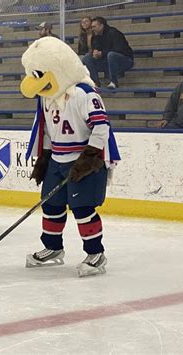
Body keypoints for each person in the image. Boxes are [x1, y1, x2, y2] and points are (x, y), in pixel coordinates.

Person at [20, 37, 120, 277]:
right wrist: (44, 157)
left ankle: (96, 254)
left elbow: (101, 127)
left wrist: (88, 158)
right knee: (52, 206)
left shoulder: (85, 93)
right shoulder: (46, 97)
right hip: (57, 159)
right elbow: (44, 129)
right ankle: (53, 248)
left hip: (85, 162)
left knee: (83, 208)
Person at [82, 16, 134, 89]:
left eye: (94, 26)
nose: (92, 29)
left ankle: (114, 81)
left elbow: (119, 49)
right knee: (87, 57)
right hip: (106, 61)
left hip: (124, 60)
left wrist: (102, 53)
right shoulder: (95, 36)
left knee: (111, 55)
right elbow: (95, 48)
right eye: (92, 27)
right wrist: (95, 53)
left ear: (101, 26)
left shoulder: (113, 32)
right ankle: (95, 82)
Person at [160, 63, 183, 129]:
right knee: (165, 129)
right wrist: (166, 119)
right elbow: (171, 104)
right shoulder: (180, 87)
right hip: (179, 123)